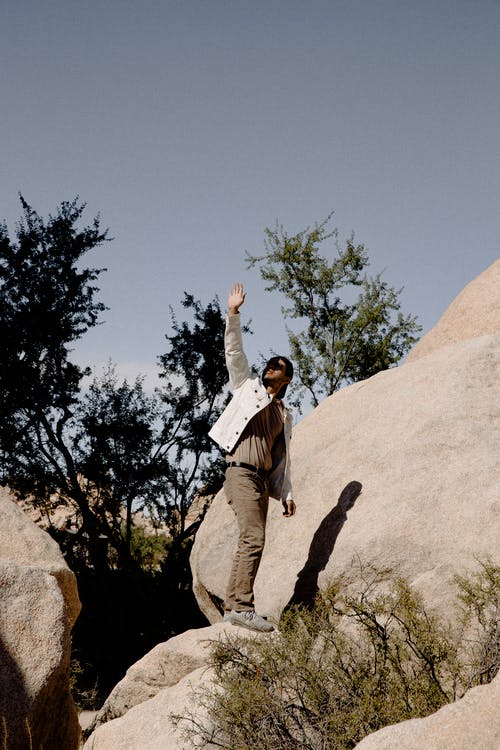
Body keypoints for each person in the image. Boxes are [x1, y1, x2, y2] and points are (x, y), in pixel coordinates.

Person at [209, 282, 296, 632]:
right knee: (253, 538)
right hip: (240, 473)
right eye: (270, 363)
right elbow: (234, 355)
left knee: (252, 539)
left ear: (286, 377)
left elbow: (283, 461)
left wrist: (286, 495)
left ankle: (235, 606)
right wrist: (233, 313)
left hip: (260, 480)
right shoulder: (247, 388)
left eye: (278, 366)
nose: (271, 367)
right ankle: (241, 607)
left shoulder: (283, 414)